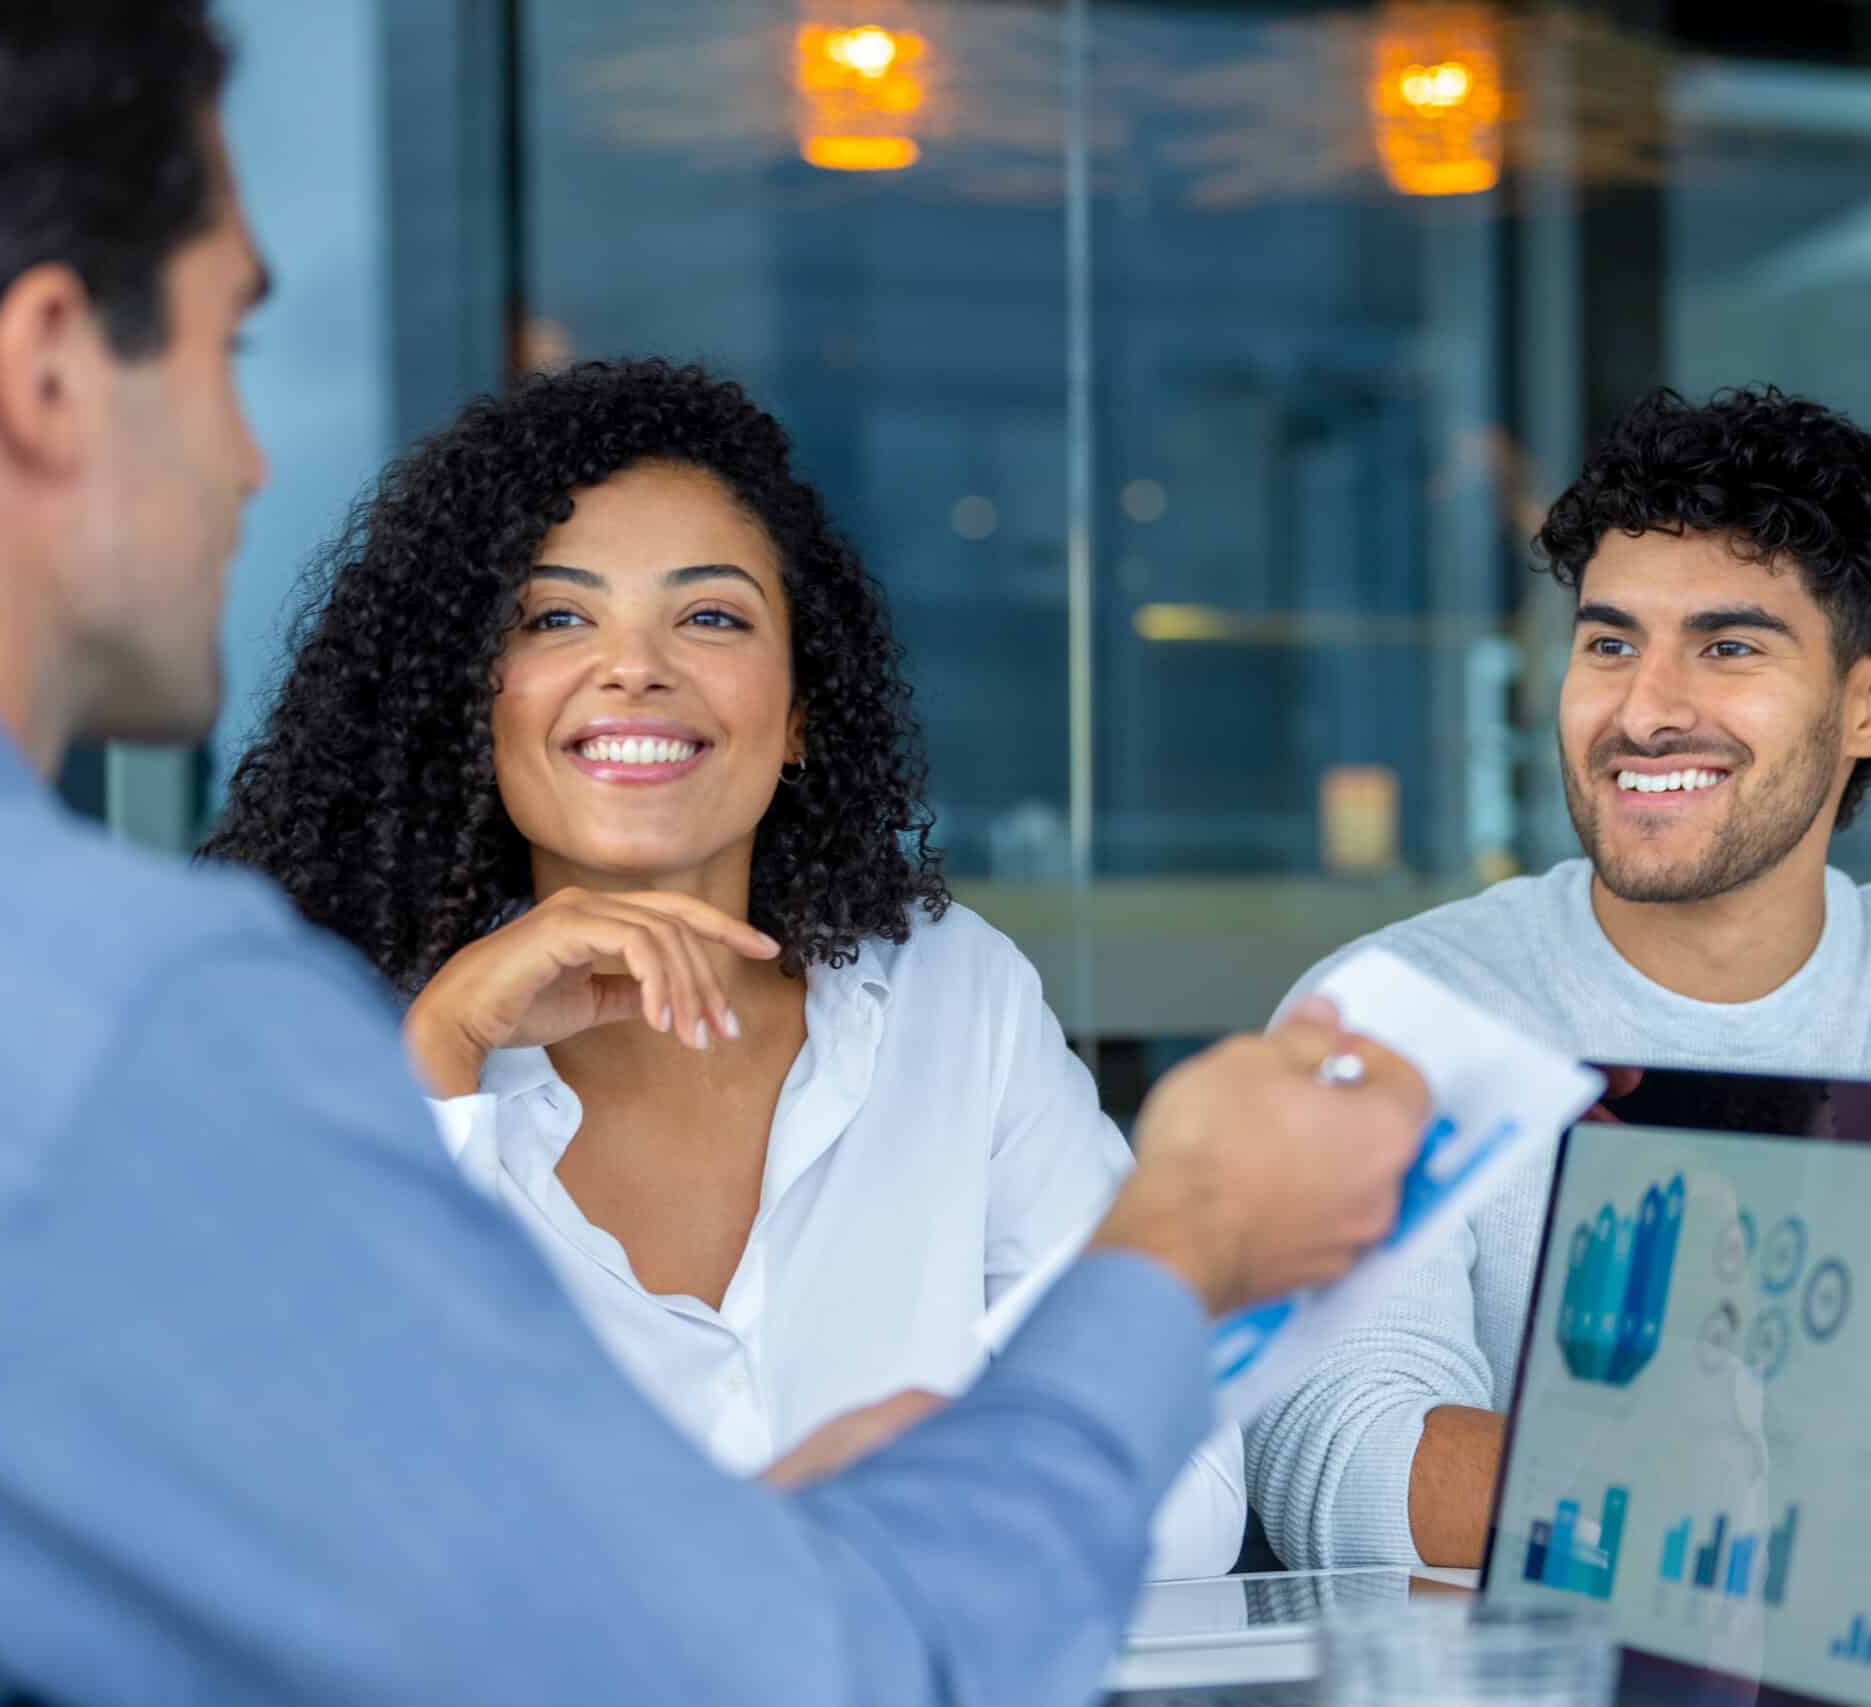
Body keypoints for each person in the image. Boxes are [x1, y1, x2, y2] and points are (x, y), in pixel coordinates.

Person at [0, 5, 1433, 1702]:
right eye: (230, 345)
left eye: (712, 619)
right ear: (50, 368)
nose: (248, 454)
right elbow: (751, 1674)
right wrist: (1188, 1231)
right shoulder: (97, 1022)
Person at [202, 360, 1246, 1577]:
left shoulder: (954, 998)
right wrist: (436, 1065)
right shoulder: (319, 1037)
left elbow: (1185, 1492)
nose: (634, 667)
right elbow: (320, 1526)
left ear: (801, 708)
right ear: (468, 701)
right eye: (553, 617)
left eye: (710, 616)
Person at [1246, 386, 1871, 1589]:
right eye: (1609, 643)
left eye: (1726, 647)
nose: (1643, 711)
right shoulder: (1402, 1014)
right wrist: (1839, 1467)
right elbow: (1337, 1462)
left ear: (1870, 701)